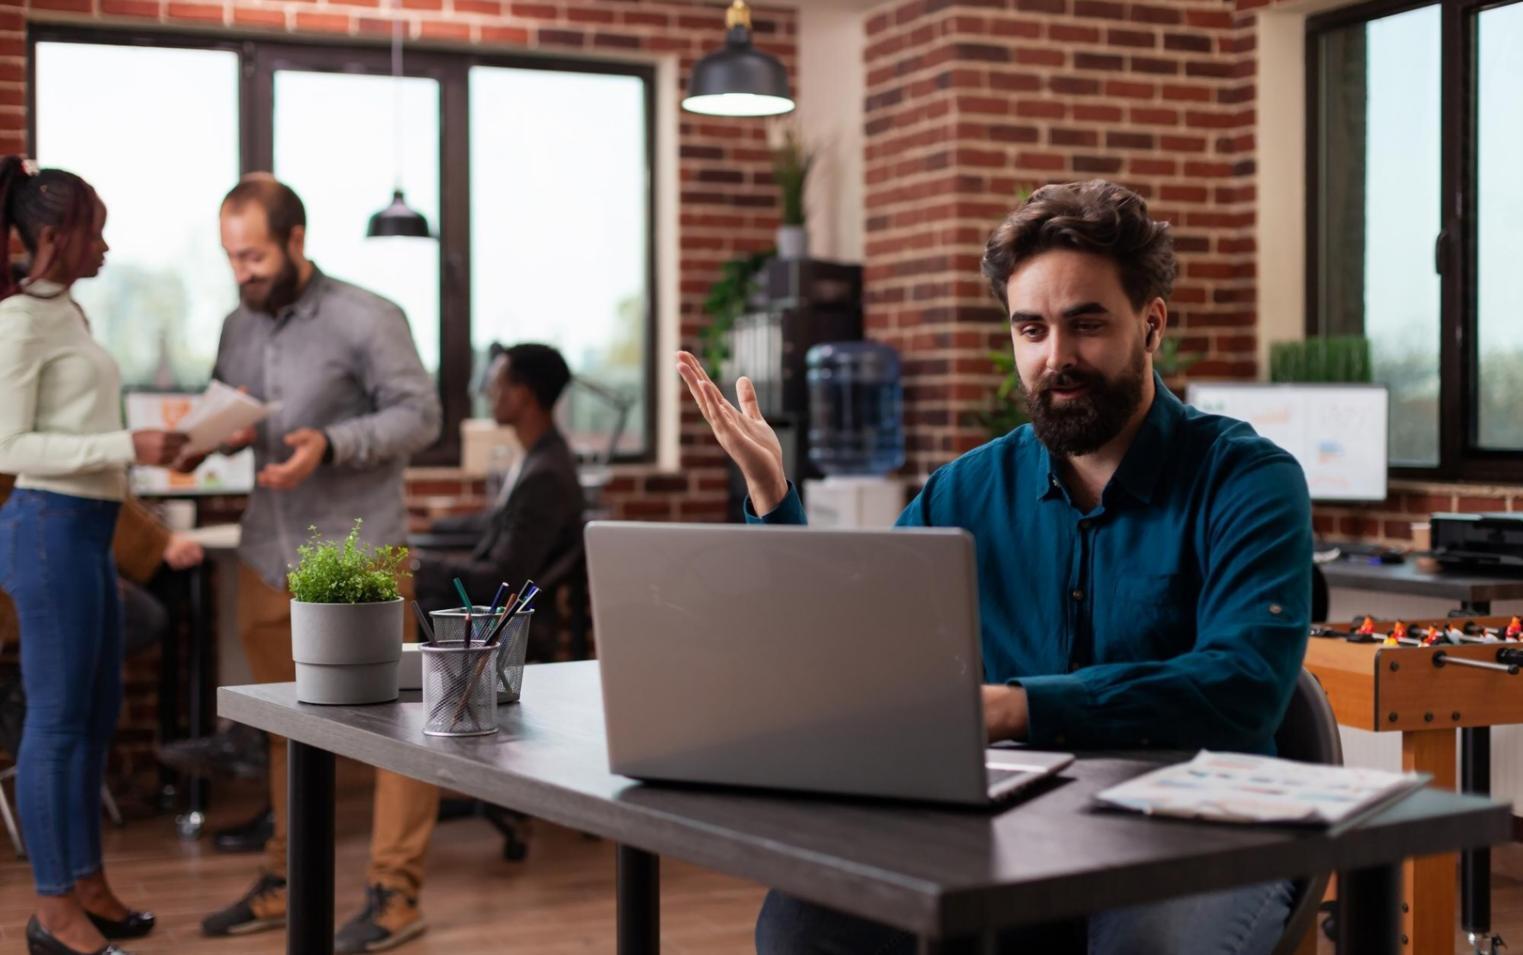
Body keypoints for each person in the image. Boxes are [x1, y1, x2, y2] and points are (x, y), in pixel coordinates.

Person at [676, 179, 1312, 955]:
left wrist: (1015, 708)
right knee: (804, 922)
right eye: (1031, 328)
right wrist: (774, 496)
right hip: (1021, 816)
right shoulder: (966, 488)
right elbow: (860, 633)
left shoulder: (1246, 478)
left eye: (1085, 324)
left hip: (1201, 822)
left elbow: (1241, 683)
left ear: (1150, 325)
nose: (1056, 357)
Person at [189, 174, 443, 953]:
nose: (244, 273)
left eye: (256, 256)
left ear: (296, 240)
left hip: (357, 555)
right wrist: (219, 433)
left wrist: (331, 443)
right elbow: (241, 405)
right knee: (281, 729)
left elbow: (421, 414)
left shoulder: (367, 316)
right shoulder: (239, 324)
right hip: (267, 548)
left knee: (392, 728)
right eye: (233, 257)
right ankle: (286, 878)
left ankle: (394, 893)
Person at [0, 157, 189, 955]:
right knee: (56, 722)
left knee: (96, 715)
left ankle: (87, 882)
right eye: (95, 230)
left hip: (86, 530)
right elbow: (8, 443)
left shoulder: (67, 314)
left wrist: (146, 453)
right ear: (54, 235)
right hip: (47, 529)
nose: (106, 245)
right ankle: (52, 911)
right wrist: (125, 441)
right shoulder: (18, 322)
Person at [413, 342, 585, 657]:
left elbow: (503, 579)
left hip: (505, 626)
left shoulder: (544, 475)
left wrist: (420, 565)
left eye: (497, 384)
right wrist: (433, 526)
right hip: (498, 610)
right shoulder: (539, 458)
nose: (488, 393)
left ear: (522, 393)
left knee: (410, 603)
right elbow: (500, 521)